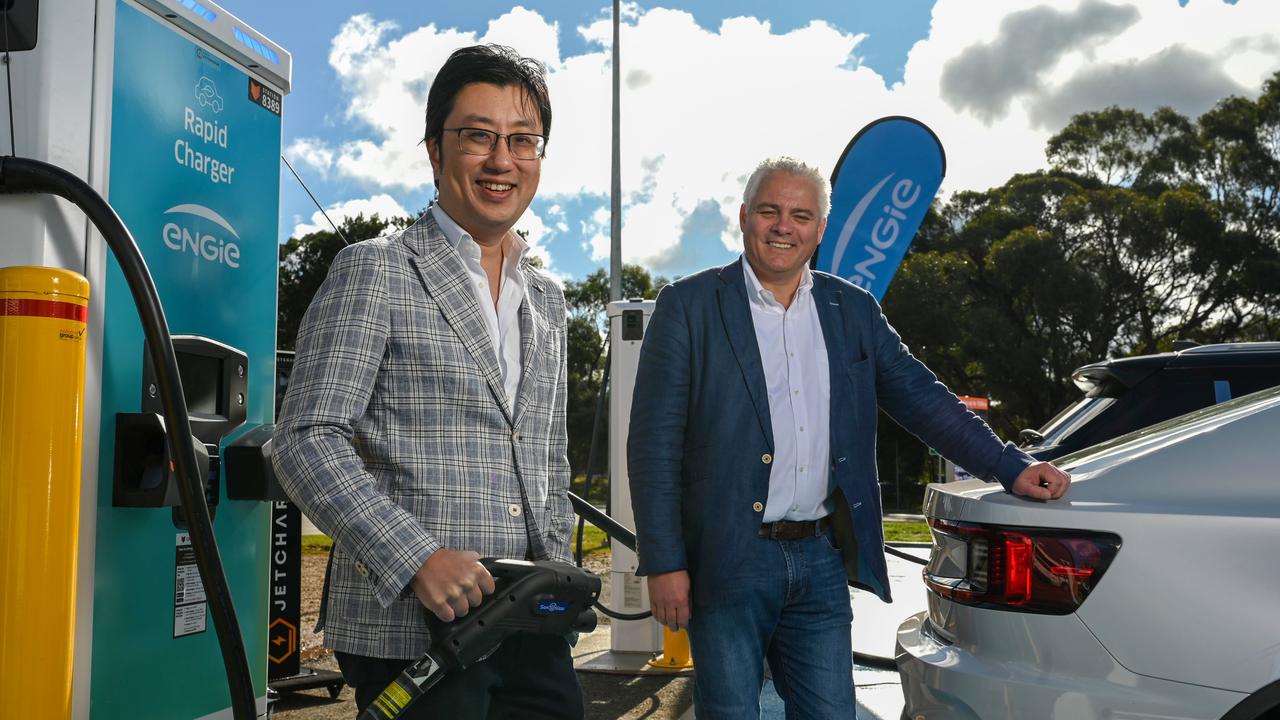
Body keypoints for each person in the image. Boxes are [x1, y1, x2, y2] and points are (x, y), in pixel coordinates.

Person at [627, 157, 1071, 719]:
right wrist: (665, 562)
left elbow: (922, 398)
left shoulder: (852, 310)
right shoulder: (689, 306)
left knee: (832, 713)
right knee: (731, 713)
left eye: (801, 215)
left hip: (819, 558)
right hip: (727, 560)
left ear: (819, 229)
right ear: (744, 217)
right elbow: (653, 445)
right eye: (770, 211)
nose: (783, 226)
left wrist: (1010, 465)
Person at [273, 44, 580, 719]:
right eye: (478, 135)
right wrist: (418, 559)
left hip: (533, 624)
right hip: (416, 635)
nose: (502, 159)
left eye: (522, 140)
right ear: (436, 151)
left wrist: (562, 570)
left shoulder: (548, 301)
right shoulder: (375, 269)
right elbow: (304, 439)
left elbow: (547, 456)